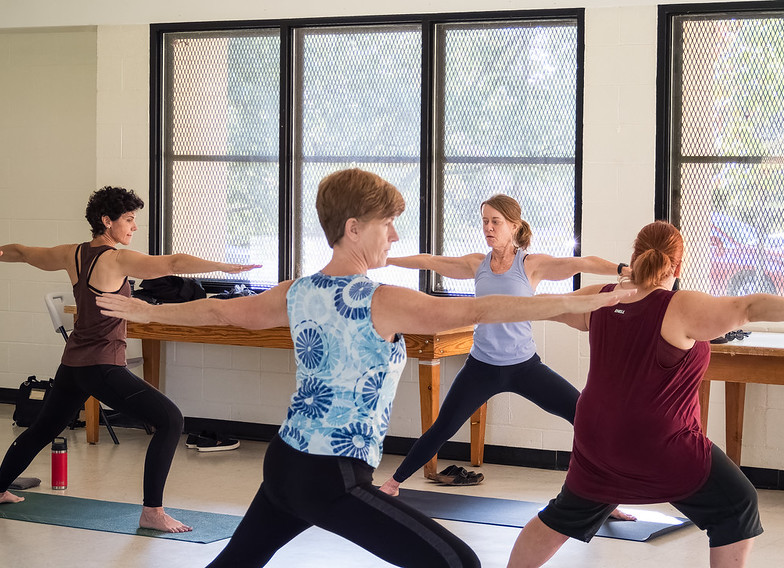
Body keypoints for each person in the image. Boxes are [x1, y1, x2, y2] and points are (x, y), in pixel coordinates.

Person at [95, 169, 632, 567]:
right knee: (459, 562)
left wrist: (150, 311)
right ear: (353, 228)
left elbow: (219, 312)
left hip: (286, 462)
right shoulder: (379, 300)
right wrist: (584, 303)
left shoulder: (297, 290)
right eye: (388, 225)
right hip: (330, 476)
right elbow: (480, 309)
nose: (394, 237)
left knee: (235, 564)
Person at [0, 186, 259, 533]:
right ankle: (152, 512)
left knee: (44, 429)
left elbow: (23, 252)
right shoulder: (115, 259)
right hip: (101, 365)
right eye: (128, 220)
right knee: (171, 420)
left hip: (73, 364)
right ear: (106, 221)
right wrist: (223, 267)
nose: (134, 227)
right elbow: (173, 263)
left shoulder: (73, 254)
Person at [507, 220, 769, 568]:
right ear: (678, 266)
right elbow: (748, 308)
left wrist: (489, 303)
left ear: (634, 257)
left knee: (562, 515)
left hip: (596, 438)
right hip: (657, 443)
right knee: (737, 505)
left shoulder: (602, 297)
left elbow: (543, 306)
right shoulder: (681, 305)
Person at [378, 194, 633, 514]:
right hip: (481, 368)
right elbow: (429, 261)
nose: (488, 227)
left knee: (585, 415)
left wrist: (623, 269)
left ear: (514, 226)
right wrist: (387, 260)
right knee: (443, 427)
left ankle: (605, 498)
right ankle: (392, 484)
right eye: (484, 221)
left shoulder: (531, 265)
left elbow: (583, 263)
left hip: (525, 368)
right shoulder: (477, 264)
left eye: (495, 222)